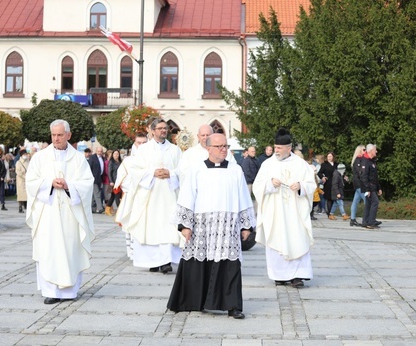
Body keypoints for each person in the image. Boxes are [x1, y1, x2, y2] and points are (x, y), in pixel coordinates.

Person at [167, 133, 255, 319]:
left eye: (225, 146)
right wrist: (184, 225)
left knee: (230, 265)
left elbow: (244, 199)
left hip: (227, 227)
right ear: (208, 148)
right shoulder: (197, 169)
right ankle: (192, 301)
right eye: (219, 146)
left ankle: (233, 306)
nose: (224, 149)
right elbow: (187, 196)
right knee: (198, 263)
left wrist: (246, 225)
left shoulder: (235, 170)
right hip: (202, 225)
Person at [26, 119, 95, 305]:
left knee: (71, 249)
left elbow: (87, 183)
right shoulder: (40, 157)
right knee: (49, 250)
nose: (56, 139)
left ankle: (70, 291)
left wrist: (68, 186)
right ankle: (51, 291)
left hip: (71, 214)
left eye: (60, 135)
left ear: (68, 135)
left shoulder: (79, 159)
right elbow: (31, 182)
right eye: (53, 135)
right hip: (47, 213)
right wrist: (49, 183)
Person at [253, 128, 315, 288]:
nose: (276, 151)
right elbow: (257, 186)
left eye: (280, 148)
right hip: (276, 212)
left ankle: (298, 275)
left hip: (295, 212)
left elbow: (311, 184)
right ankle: (279, 275)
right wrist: (270, 184)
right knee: (277, 237)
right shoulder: (267, 164)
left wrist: (301, 186)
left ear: (289, 148)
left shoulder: (301, 164)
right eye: (275, 148)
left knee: (297, 239)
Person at [120, 118, 183, 273]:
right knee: (150, 227)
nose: (163, 131)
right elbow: (134, 170)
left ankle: (166, 261)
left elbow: (183, 170)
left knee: (169, 227)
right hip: (150, 195)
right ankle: (153, 261)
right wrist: (152, 173)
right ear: (152, 130)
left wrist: (171, 173)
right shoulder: (143, 150)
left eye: (165, 128)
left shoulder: (175, 150)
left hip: (169, 194)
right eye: (160, 128)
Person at [114, 132, 148, 261]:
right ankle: (133, 252)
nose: (142, 146)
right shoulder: (128, 161)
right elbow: (122, 180)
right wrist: (138, 184)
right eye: (139, 143)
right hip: (132, 198)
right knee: (131, 224)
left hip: (148, 198)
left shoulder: (152, 159)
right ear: (135, 144)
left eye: (144, 143)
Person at [360, 144, 382, 229]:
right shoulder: (365, 161)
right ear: (370, 151)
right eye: (375, 150)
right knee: (375, 202)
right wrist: (367, 189)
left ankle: (366, 221)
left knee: (369, 203)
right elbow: (363, 176)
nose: (376, 151)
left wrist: (379, 187)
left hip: (372, 186)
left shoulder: (371, 161)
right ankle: (371, 221)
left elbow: (374, 176)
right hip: (368, 187)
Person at [350, 145, 366, 226]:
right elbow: (360, 172)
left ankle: (352, 219)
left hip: (358, 183)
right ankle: (367, 219)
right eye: (364, 149)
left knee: (355, 201)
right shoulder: (358, 160)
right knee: (367, 200)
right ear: (359, 151)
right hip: (359, 183)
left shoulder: (360, 159)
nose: (365, 151)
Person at [88, 146, 105, 214]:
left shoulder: (103, 158)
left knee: (93, 194)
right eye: (98, 151)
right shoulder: (92, 158)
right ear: (96, 151)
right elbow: (89, 167)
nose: (100, 153)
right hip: (93, 178)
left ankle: (92, 208)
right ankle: (100, 207)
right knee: (97, 193)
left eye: (101, 151)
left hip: (100, 178)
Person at [106, 149, 122, 213]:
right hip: (114, 182)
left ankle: (107, 209)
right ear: (112, 155)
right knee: (117, 196)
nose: (116, 155)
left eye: (117, 154)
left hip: (119, 180)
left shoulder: (120, 162)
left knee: (113, 196)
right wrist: (111, 181)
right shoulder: (111, 162)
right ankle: (120, 210)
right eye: (115, 154)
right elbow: (109, 172)